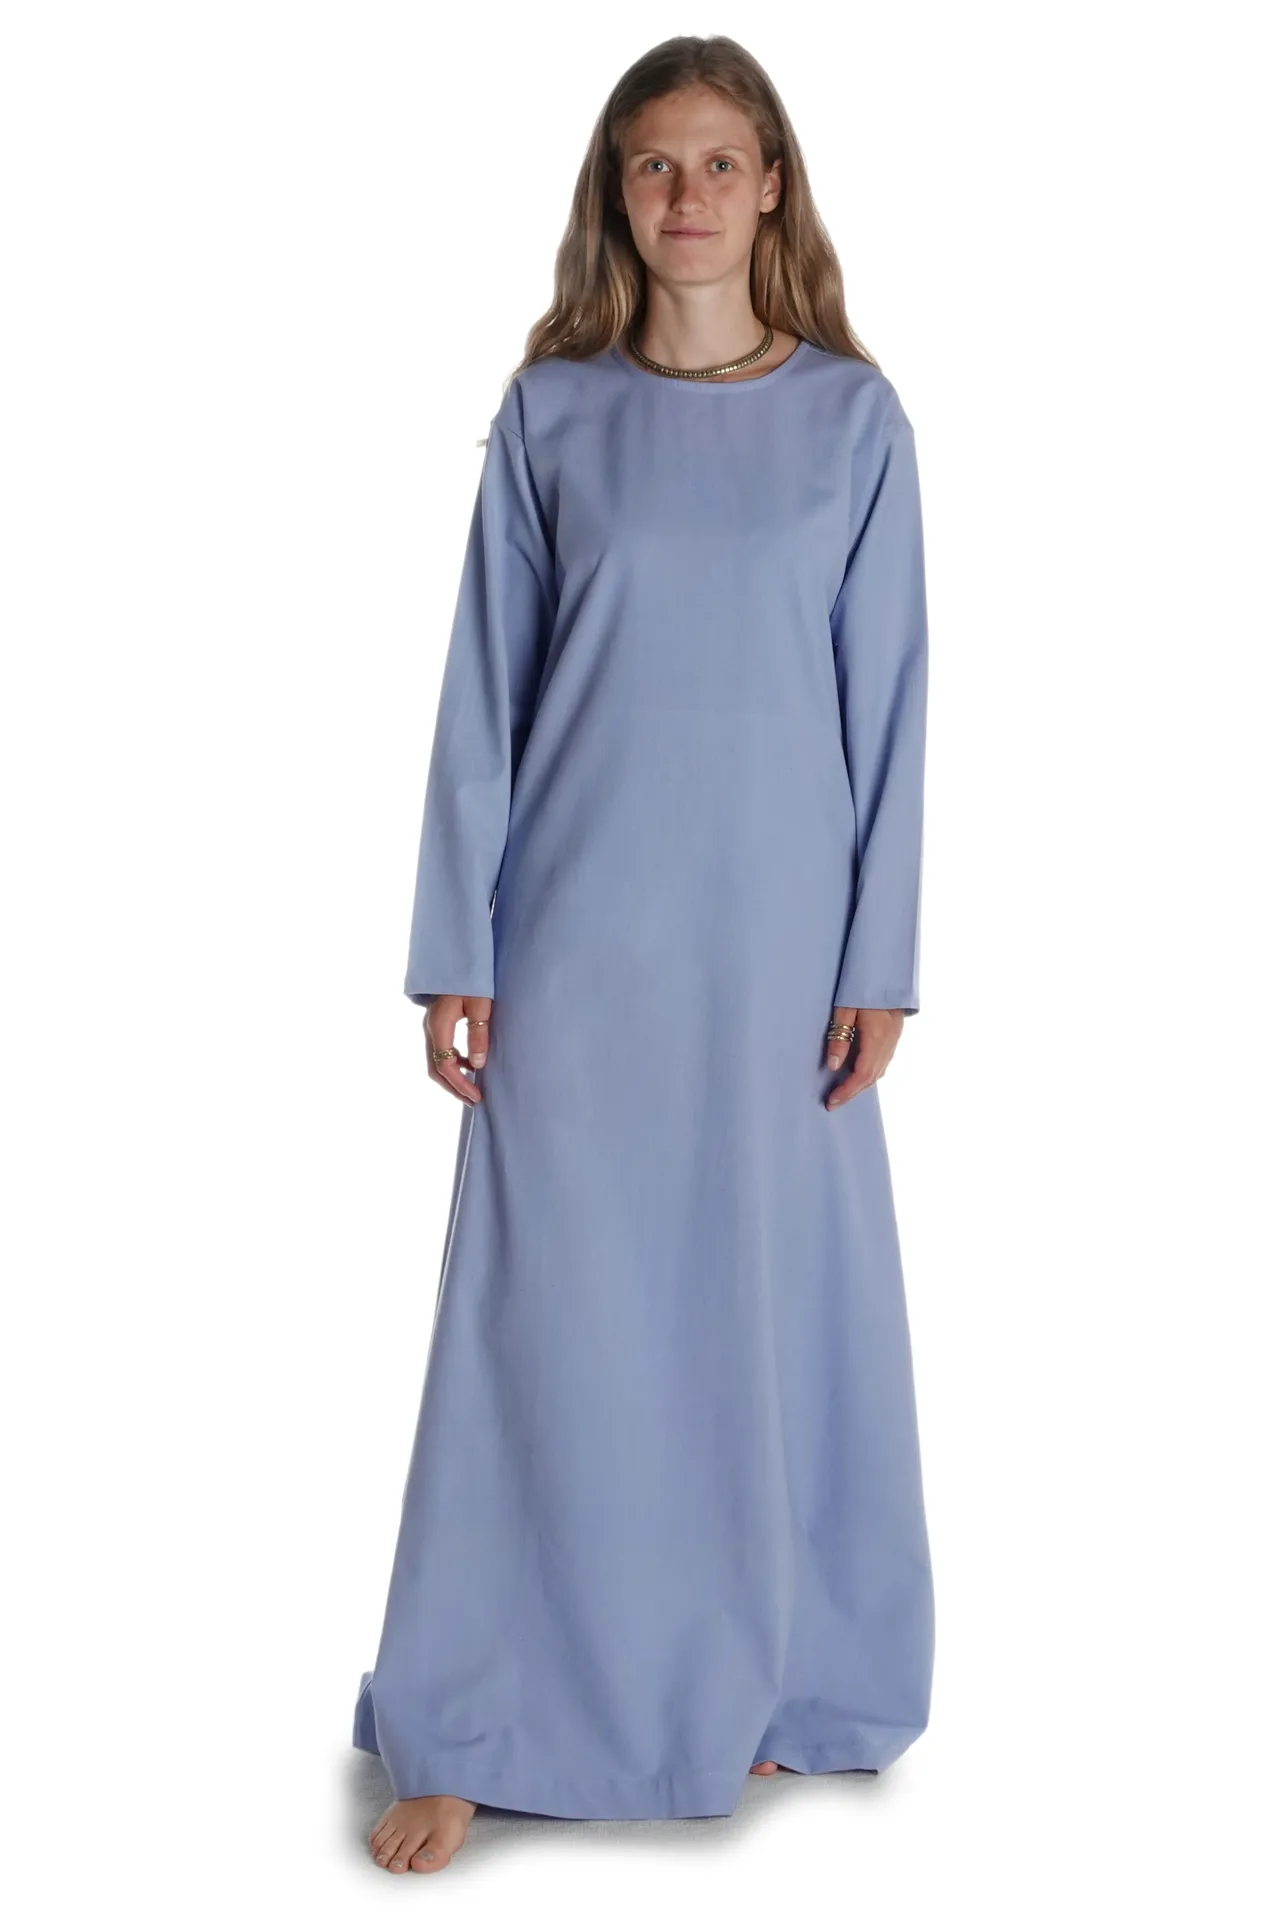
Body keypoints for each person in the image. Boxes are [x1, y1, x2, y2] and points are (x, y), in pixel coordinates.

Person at [355, 33, 934, 1874]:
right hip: (577, 932)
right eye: (653, 164)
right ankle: (470, 1714)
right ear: (618, 193)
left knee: (759, 1308)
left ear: (773, 188)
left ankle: (757, 1669)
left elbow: (894, 712)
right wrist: (457, 943)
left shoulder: (855, 424)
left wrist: (881, 959)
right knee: (545, 1316)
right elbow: (484, 697)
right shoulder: (553, 417)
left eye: (718, 162)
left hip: (777, 953)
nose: (686, 195)